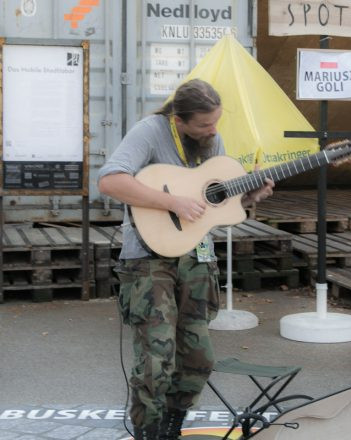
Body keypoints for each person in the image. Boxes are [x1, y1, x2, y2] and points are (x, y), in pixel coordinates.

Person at [98, 79, 274, 440]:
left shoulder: (213, 142)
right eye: (204, 125)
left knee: (199, 357)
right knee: (156, 358)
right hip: (149, 259)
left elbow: (219, 204)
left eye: (216, 122)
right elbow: (110, 181)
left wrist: (250, 195)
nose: (213, 130)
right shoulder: (150, 131)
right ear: (179, 121)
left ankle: (171, 427)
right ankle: (147, 431)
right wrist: (172, 202)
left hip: (196, 258)